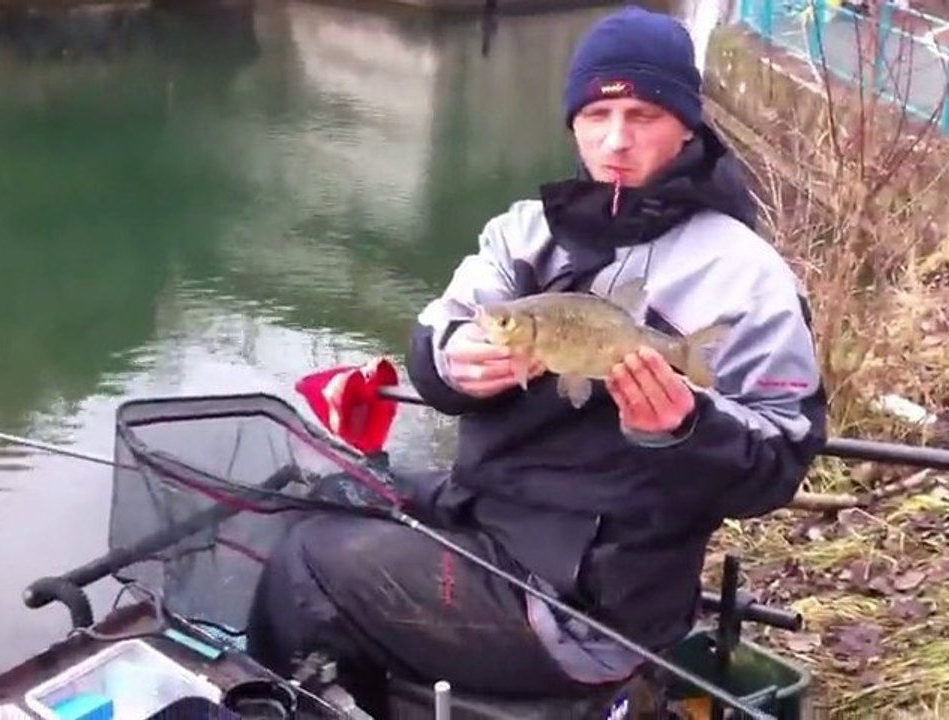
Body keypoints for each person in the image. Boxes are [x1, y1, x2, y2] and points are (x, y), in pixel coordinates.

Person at [246, 6, 827, 717]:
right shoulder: (525, 233)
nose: (615, 142)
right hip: (490, 516)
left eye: (643, 115)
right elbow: (442, 326)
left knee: (305, 563)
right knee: (309, 499)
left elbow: (780, 462)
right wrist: (449, 364)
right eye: (595, 116)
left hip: (590, 606)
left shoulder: (747, 277)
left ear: (686, 124)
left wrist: (687, 429)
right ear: (572, 123)